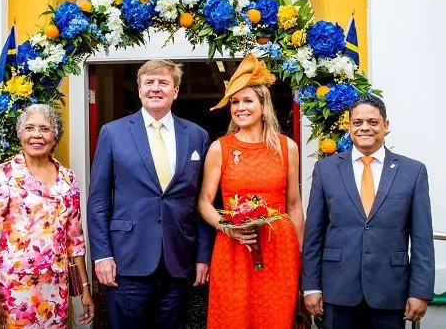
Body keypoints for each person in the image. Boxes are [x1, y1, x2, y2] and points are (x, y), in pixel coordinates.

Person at [87, 59, 214, 329]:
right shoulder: (113, 133)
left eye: (164, 83)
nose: (156, 88)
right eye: (150, 82)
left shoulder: (197, 136)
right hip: (126, 261)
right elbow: (98, 201)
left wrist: (203, 256)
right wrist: (102, 255)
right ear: (139, 87)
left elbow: (203, 202)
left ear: (176, 90)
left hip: (179, 261)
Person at [301, 94, 435, 328]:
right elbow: (314, 234)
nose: (365, 128)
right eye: (358, 122)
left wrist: (421, 290)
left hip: (390, 292)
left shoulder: (413, 172)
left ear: (385, 125)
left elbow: (422, 238)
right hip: (337, 291)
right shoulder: (325, 170)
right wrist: (311, 286)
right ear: (349, 126)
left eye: (373, 122)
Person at [198, 53, 304, 329]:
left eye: (247, 101)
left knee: (276, 319)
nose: (240, 108)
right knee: (233, 317)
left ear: (263, 105)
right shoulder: (220, 148)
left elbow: (294, 205)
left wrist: (302, 256)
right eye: (235, 102)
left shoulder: (286, 147)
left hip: (280, 250)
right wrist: (227, 226)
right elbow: (205, 202)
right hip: (233, 248)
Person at [0, 104, 94, 328]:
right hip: (14, 290)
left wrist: (85, 288)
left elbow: (75, 240)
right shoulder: (3, 176)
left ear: (55, 135)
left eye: (45, 128)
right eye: (29, 128)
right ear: (20, 134)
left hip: (56, 288)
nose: (37, 135)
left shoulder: (67, 178)